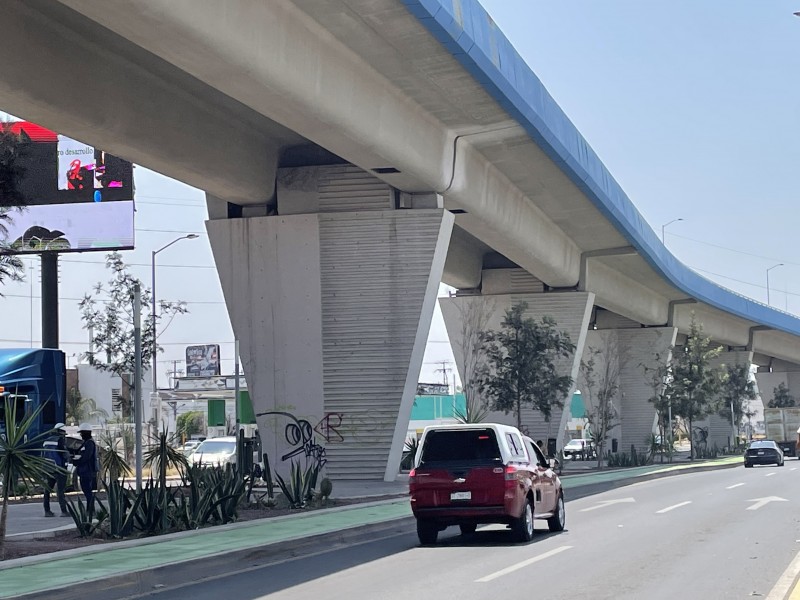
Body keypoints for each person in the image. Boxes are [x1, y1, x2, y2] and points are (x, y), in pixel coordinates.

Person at [42, 423, 69, 517]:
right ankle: (64, 511)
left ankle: (47, 511)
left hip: (48, 468)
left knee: (47, 491)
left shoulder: (46, 441)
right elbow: (64, 454)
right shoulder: (60, 440)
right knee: (60, 491)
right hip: (59, 469)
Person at [73, 423, 98, 515]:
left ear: (86, 433)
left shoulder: (89, 443)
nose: (81, 435)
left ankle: (91, 510)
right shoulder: (86, 443)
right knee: (86, 490)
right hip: (84, 470)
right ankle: (90, 509)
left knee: (87, 490)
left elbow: (87, 456)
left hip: (88, 470)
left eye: (82, 433)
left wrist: (77, 461)